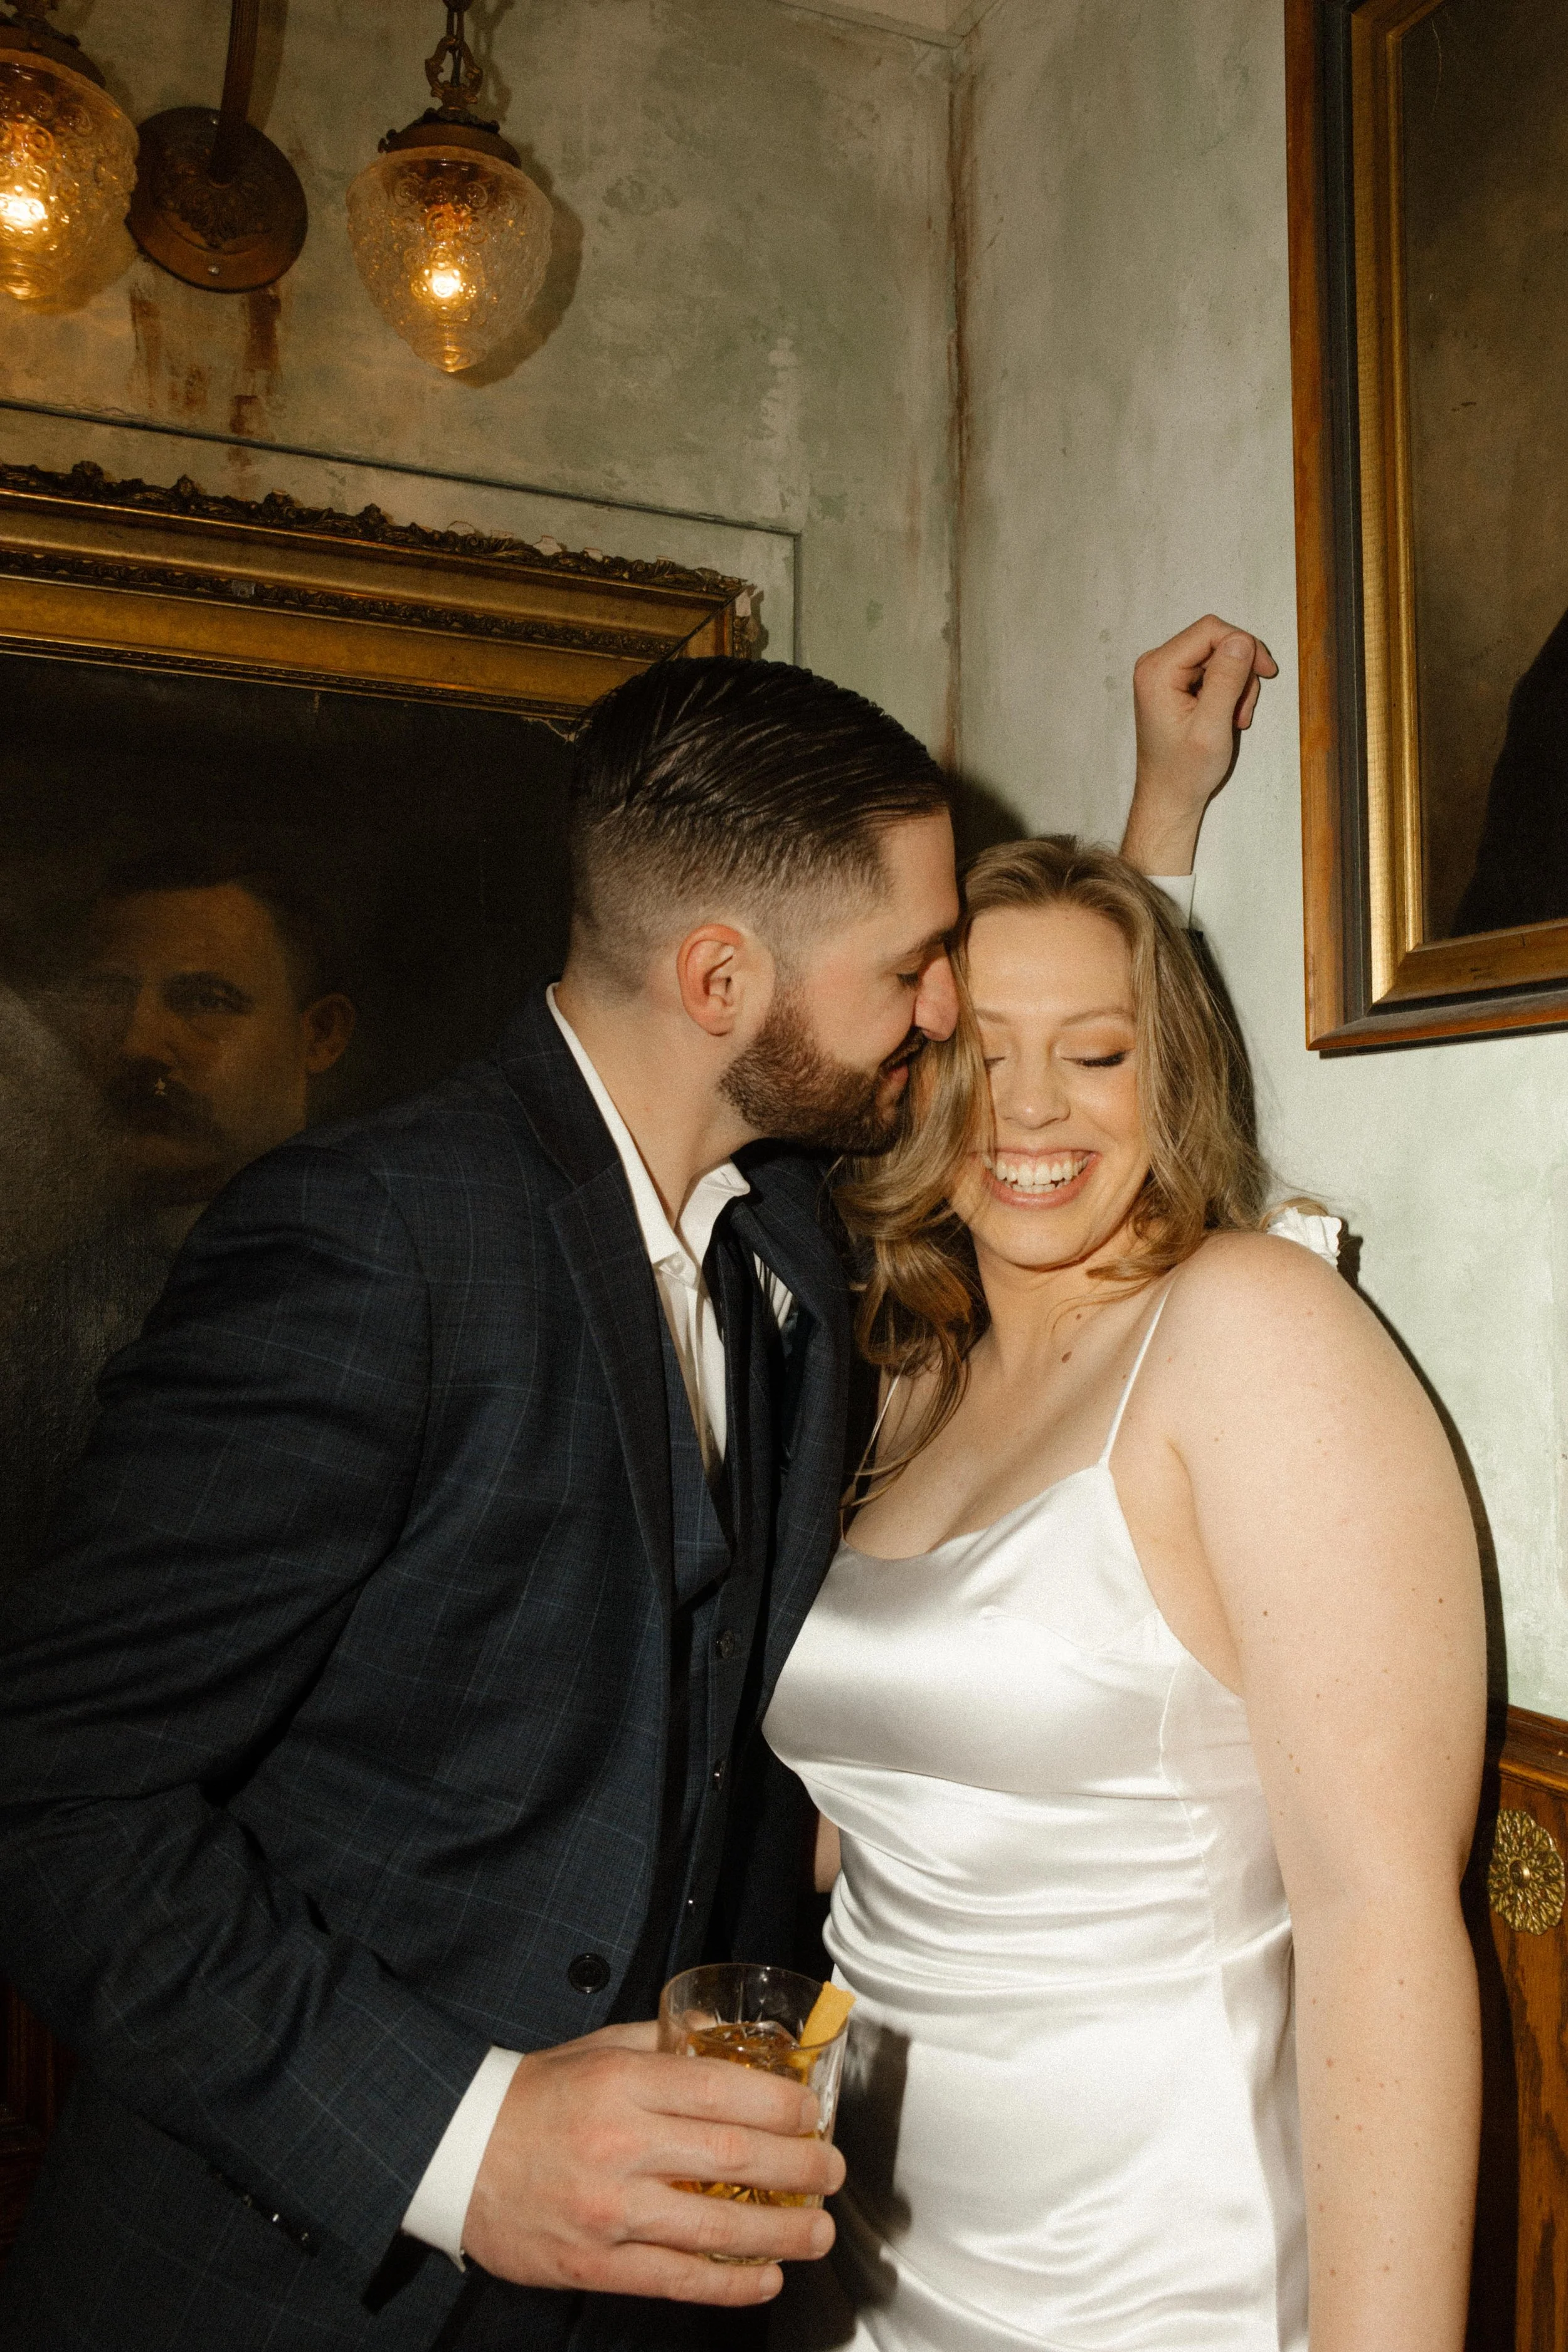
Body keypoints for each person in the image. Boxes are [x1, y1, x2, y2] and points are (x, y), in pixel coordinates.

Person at [0, 622, 1273, 2352]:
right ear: (722, 979)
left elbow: (1070, 1113)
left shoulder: (796, 1254)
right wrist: (464, 2137)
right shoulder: (372, 1242)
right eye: (910, 964)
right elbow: (52, 1802)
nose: (945, 1008)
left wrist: (1166, 821)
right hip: (273, 2284)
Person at [765, 837, 1485, 2352]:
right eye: (983, 1059)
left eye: (1097, 1054)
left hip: (1148, 2286)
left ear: (1176, 1080)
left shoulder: (1248, 1330)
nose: (1029, 1109)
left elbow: (1378, 1925)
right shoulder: (910, 1376)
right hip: (855, 2266)